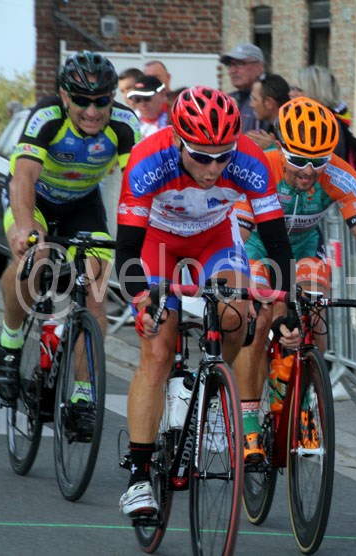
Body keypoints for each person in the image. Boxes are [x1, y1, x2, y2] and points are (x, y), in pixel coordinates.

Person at [115, 86, 294, 518]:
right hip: (156, 243)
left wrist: (286, 305)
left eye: (223, 156)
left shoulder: (250, 160)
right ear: (178, 139)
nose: (214, 168)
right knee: (157, 350)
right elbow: (127, 252)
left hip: (214, 238)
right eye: (201, 156)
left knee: (237, 313)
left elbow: (276, 242)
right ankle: (138, 477)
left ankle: (209, 390)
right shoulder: (147, 160)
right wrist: (143, 298)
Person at [232, 97, 356, 462]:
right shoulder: (260, 167)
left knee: (315, 311)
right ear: (280, 146)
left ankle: (304, 400)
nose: (308, 171)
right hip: (256, 248)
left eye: (318, 161)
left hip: (304, 248)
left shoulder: (338, 174)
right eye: (298, 160)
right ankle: (248, 419)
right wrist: (239, 286)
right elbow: (237, 237)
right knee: (260, 316)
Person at [0, 51, 141, 411]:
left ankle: (83, 394)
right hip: (35, 198)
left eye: (101, 101)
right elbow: (23, 176)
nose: (92, 111)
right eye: (82, 101)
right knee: (35, 257)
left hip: (82, 204)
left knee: (96, 290)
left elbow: (138, 184)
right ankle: (11, 341)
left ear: (112, 98)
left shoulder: (124, 124)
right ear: (64, 97)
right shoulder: (47, 116)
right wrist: (24, 227)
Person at [290, 65, 356, 185]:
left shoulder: (324, 125)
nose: (291, 94)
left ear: (315, 93)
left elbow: (314, 169)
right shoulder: (312, 122)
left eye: (298, 90)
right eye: (291, 88)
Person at [219, 43, 272, 133]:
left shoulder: (271, 101)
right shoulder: (226, 100)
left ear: (259, 67)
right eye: (230, 65)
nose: (232, 70)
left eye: (240, 64)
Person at [247, 73, 290, 150]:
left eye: (254, 99)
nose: (251, 104)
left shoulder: (294, 130)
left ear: (269, 103)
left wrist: (272, 148)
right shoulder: (275, 127)